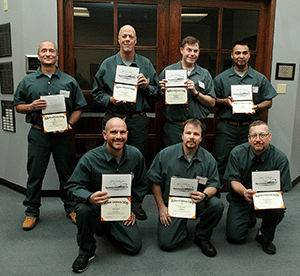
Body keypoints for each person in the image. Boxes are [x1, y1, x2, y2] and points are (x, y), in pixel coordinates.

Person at [14, 40, 87, 231]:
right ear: (38, 56)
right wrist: (31, 106)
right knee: (35, 174)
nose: (48, 54)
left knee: (67, 174)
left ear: (56, 55)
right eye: (44, 51)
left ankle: (71, 208)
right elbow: (18, 106)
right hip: (39, 135)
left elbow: (79, 107)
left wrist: (70, 124)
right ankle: (31, 212)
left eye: (51, 51)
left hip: (62, 136)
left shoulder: (69, 81)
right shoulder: (27, 81)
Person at [92, 24, 159, 220]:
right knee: (110, 160)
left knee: (137, 161)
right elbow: (97, 93)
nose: (127, 39)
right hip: (113, 118)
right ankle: (111, 200)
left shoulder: (146, 64)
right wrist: (110, 100)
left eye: (131, 36)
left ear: (136, 40)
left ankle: (136, 203)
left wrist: (146, 86)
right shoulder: (107, 64)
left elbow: (158, 93)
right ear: (119, 40)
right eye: (124, 36)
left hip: (137, 120)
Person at [65, 117, 148, 273]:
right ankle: (86, 251)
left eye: (122, 132)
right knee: (84, 209)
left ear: (127, 134)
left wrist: (133, 208)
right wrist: (89, 197)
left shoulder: (136, 155)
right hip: (95, 206)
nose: (118, 136)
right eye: (113, 132)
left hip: (120, 209)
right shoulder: (90, 159)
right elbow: (71, 187)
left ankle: (103, 226)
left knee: (133, 246)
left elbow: (141, 185)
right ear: (104, 135)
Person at [148, 118, 224, 257]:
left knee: (216, 205)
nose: (191, 137)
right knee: (166, 244)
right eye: (188, 133)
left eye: (196, 134)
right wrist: (161, 207)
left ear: (201, 138)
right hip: (172, 205)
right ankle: (179, 225)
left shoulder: (208, 159)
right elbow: (154, 181)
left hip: (196, 203)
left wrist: (204, 195)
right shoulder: (165, 155)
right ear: (182, 135)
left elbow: (214, 184)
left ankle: (202, 236)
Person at [214, 40, 278, 184]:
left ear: (249, 55)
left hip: (249, 128)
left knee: (249, 161)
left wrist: (257, 107)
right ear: (232, 55)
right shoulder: (221, 78)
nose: (241, 56)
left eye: (244, 53)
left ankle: (246, 195)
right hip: (227, 127)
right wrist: (225, 101)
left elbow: (269, 101)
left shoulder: (259, 78)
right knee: (220, 161)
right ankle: (216, 196)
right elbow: (213, 100)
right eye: (237, 53)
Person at [224, 120, 292, 254]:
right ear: (249, 138)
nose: (258, 139)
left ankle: (265, 235)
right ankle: (250, 216)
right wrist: (245, 192)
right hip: (242, 198)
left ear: (269, 137)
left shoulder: (280, 158)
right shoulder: (237, 153)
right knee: (235, 237)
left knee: (279, 209)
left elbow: (282, 188)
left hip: (267, 199)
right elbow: (233, 182)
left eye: (262, 135)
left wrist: (269, 199)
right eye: (254, 136)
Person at [159, 36, 215, 147]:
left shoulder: (205, 74)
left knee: (196, 161)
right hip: (174, 128)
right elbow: (157, 98)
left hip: (197, 127)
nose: (192, 54)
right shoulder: (168, 71)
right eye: (189, 50)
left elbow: (212, 102)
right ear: (181, 50)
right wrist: (162, 91)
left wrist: (196, 93)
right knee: (171, 160)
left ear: (199, 52)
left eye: (195, 51)